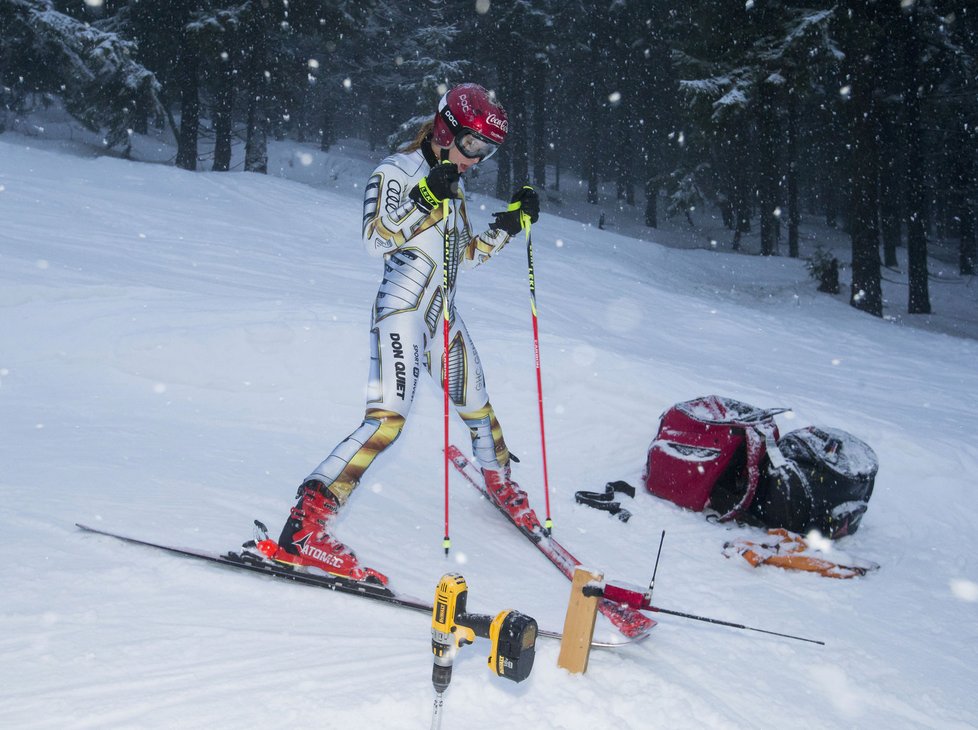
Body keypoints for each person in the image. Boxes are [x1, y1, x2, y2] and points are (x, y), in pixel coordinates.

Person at [252, 83, 541, 585]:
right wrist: (428, 195)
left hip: (442, 315)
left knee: (478, 405)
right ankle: (302, 528)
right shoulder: (397, 170)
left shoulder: (454, 182)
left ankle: (499, 480)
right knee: (387, 420)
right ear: (447, 128)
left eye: (487, 151)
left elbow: (460, 257)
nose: (477, 158)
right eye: (473, 145)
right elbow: (375, 237)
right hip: (404, 309)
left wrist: (509, 226)